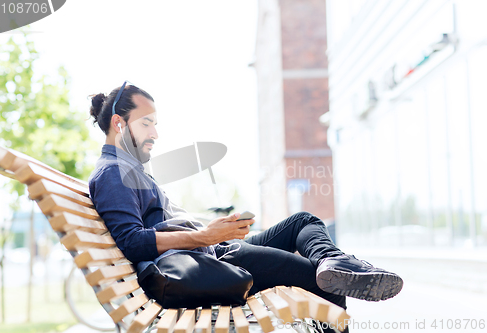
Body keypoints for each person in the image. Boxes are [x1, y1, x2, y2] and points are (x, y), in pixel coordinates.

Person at [88, 82, 403, 333]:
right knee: (320, 282)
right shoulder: (114, 173)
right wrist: (203, 237)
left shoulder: (128, 170)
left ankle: (333, 262)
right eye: (146, 124)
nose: (155, 133)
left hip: (213, 250)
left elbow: (159, 223)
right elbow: (132, 241)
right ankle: (335, 268)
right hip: (209, 258)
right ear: (119, 123)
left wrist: (212, 231)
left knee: (302, 221)